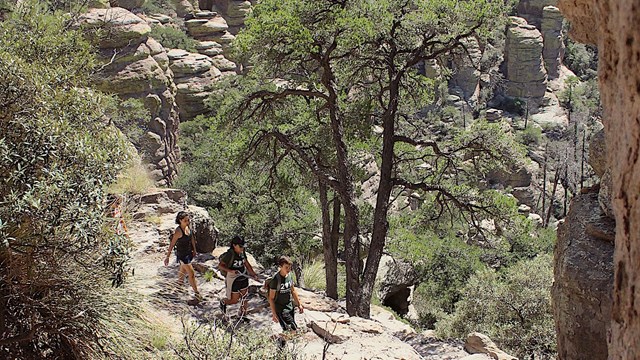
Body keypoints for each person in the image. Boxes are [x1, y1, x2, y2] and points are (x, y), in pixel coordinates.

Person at [218, 235, 258, 320]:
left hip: (243, 277)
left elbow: (246, 264)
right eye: (240, 246)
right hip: (234, 279)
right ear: (234, 245)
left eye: (243, 247)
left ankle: (242, 315)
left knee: (245, 298)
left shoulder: (242, 252)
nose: (242, 248)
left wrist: (253, 274)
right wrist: (230, 271)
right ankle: (223, 302)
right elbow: (220, 265)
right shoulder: (230, 254)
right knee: (234, 300)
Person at [164, 211, 201, 300]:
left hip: (188, 253)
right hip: (182, 255)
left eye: (188, 220)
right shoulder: (178, 231)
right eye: (185, 220)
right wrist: (167, 257)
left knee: (182, 271)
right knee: (191, 273)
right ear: (180, 220)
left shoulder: (188, 227)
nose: (187, 222)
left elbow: (192, 237)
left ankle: (178, 287)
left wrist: (194, 249)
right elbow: (172, 244)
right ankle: (197, 294)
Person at [268, 256, 304, 332]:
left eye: (290, 268)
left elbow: (293, 291)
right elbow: (271, 298)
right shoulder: (275, 280)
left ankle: (283, 342)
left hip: (290, 307)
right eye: (286, 267)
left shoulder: (289, 276)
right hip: (281, 309)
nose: (288, 270)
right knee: (293, 328)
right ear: (280, 267)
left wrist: (299, 304)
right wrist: (274, 314)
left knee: (287, 329)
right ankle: (286, 341)